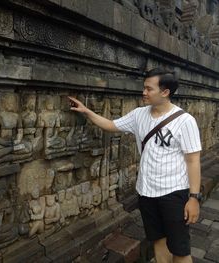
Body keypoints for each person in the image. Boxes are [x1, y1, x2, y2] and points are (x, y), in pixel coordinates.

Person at [68, 68, 202, 263]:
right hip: (146, 191)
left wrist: (194, 198)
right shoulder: (139, 115)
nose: (143, 92)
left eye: (149, 89)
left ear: (165, 92)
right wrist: (87, 112)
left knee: (180, 250)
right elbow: (111, 125)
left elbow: (193, 160)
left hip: (174, 193)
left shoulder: (184, 121)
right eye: (144, 88)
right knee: (158, 241)